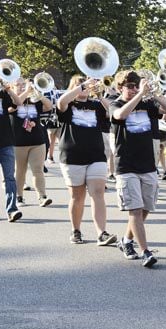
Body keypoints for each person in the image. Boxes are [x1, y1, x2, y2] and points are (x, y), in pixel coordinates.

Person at [110, 71, 166, 267]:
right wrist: (139, 95)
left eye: (135, 85)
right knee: (135, 210)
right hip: (126, 165)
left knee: (146, 207)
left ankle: (127, 240)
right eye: (129, 86)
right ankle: (145, 251)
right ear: (120, 88)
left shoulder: (148, 104)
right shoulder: (116, 103)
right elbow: (120, 115)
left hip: (147, 163)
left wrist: (154, 92)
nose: (133, 88)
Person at [56, 75, 117, 246]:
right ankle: (76, 230)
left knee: (98, 193)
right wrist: (81, 86)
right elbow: (61, 102)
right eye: (79, 85)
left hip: (96, 155)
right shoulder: (68, 105)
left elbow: (113, 111)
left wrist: (98, 94)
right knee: (77, 196)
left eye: (86, 85)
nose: (84, 88)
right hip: (72, 156)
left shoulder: (96, 105)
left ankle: (102, 233)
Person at [9, 78, 53, 208]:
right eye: (18, 85)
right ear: (12, 87)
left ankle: (42, 196)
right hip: (18, 141)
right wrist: (26, 91)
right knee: (20, 171)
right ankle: (19, 197)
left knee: (38, 169)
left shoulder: (33, 99)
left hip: (37, 140)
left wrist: (39, 95)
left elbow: (49, 106)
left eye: (24, 84)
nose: (22, 86)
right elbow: (14, 106)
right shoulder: (11, 99)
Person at [0, 70, 23, 222]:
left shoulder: (3, 94)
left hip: (6, 142)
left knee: (10, 178)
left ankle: (12, 210)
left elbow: (18, 103)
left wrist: (8, 88)